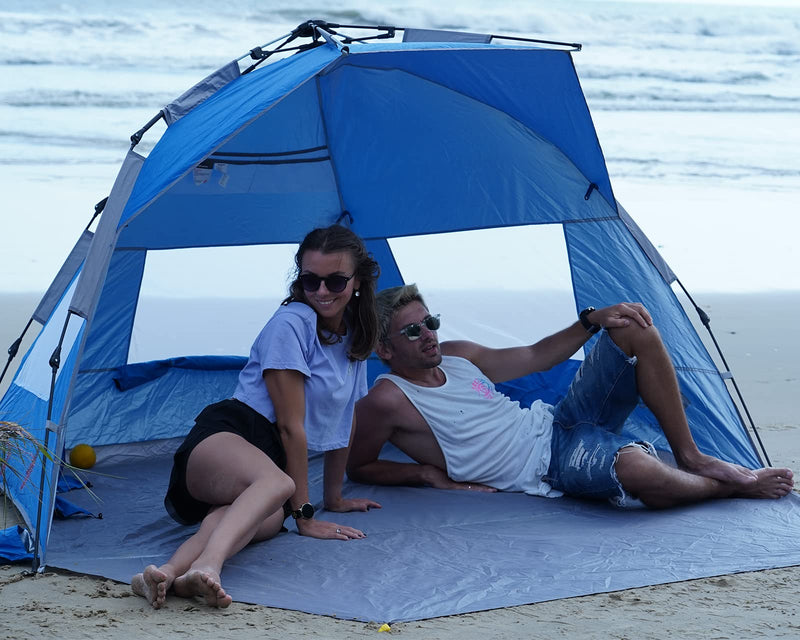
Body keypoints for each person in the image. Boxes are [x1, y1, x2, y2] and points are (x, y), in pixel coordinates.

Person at [347, 284, 794, 510]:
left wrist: (593, 319)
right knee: (639, 470)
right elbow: (359, 464)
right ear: (384, 349)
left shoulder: (459, 357)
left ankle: (692, 457)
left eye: (431, 322)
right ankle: (730, 488)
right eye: (412, 331)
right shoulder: (387, 399)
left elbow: (537, 355)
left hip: (558, 420)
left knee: (634, 329)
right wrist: (425, 474)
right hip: (551, 462)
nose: (428, 336)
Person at [132, 225, 382, 609]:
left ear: (358, 281)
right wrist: (305, 517)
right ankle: (212, 568)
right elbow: (289, 426)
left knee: (243, 521)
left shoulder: (355, 336)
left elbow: (343, 419)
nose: (321, 292)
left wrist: (334, 496)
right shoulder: (292, 323)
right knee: (275, 486)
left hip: (270, 471)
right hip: (232, 435)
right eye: (311, 280)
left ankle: (169, 573)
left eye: (335, 281)